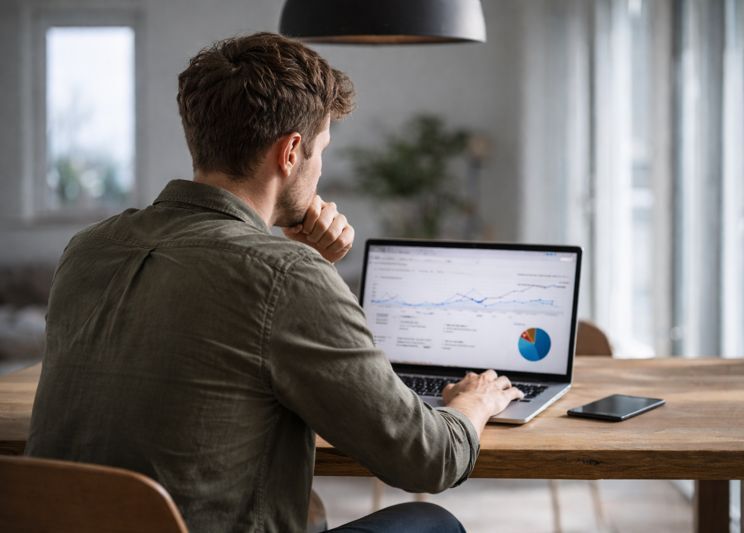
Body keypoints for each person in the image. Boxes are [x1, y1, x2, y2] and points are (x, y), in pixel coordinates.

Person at [25, 32, 523, 533]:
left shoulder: (88, 248)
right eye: (321, 149)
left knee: (313, 512)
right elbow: (427, 460)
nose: (321, 166)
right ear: (291, 152)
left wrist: (297, 257)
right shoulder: (287, 278)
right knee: (430, 521)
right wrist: (473, 402)